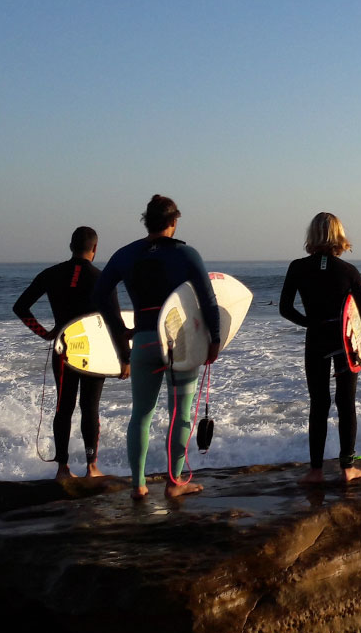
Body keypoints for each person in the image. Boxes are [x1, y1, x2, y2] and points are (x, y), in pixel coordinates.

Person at [95, 195, 220, 500]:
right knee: (180, 413)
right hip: (180, 345)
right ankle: (174, 483)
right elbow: (208, 300)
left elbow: (98, 294)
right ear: (174, 222)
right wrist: (215, 339)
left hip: (143, 340)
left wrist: (120, 330)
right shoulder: (187, 254)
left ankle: (138, 485)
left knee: (141, 413)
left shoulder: (125, 254)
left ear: (146, 221)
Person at [279, 212, 361, 484]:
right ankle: (347, 469)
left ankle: (315, 470)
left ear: (312, 236)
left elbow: (285, 309)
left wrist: (310, 323)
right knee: (346, 403)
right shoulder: (348, 271)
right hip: (345, 342)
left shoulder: (297, 267)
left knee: (318, 403)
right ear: (338, 236)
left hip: (316, 339)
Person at [13, 227, 110, 481]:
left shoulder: (50, 274)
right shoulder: (102, 277)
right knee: (90, 408)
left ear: (70, 246)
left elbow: (20, 307)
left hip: (63, 348)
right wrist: (123, 357)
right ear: (95, 248)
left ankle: (62, 469)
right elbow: (114, 323)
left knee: (63, 407)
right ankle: (91, 467)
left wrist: (44, 333)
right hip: (94, 352)